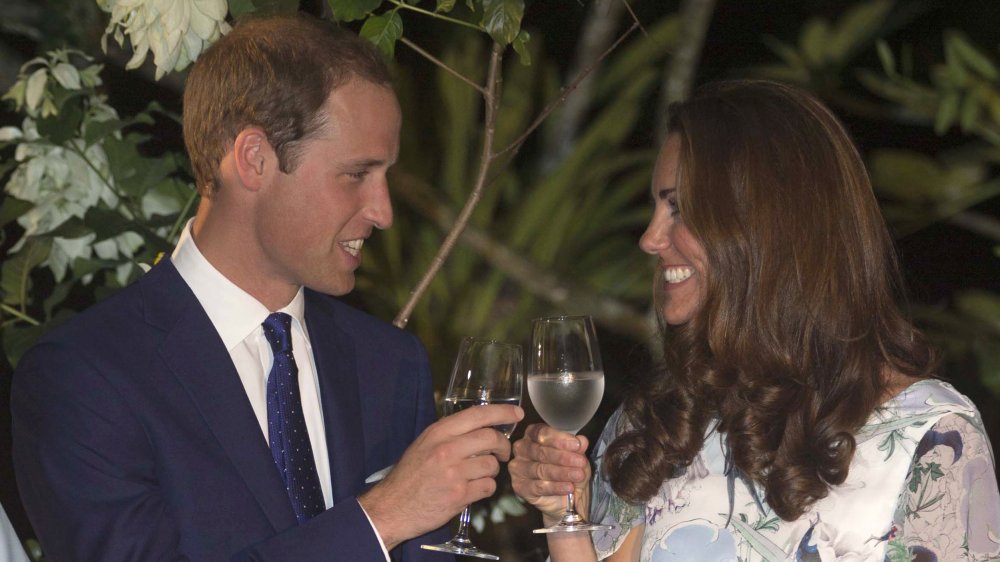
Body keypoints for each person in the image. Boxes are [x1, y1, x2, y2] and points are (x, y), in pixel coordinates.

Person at [12, 14, 522, 562]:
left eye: (385, 176)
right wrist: (382, 516)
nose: (383, 211)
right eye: (356, 174)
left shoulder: (389, 363)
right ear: (254, 159)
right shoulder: (86, 377)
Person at [509, 80, 1000, 561]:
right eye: (657, 206)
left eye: (679, 207)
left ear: (765, 226)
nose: (651, 237)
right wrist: (562, 514)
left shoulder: (931, 438)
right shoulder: (660, 425)